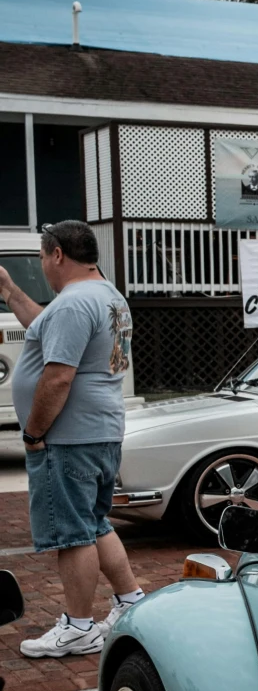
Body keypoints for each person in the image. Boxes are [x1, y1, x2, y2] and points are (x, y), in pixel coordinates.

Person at [0, 221, 143, 658]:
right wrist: (8, 290)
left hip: (68, 437)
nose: (42, 266)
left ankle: (79, 627)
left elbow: (58, 377)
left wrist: (34, 433)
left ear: (57, 254)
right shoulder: (107, 296)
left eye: (43, 257)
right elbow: (44, 329)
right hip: (100, 432)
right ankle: (130, 602)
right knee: (94, 524)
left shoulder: (73, 304)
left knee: (73, 535)